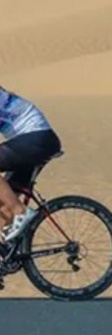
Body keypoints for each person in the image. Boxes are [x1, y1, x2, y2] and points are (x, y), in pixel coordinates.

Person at [0, 86, 62, 242]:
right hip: (33, 141)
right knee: (4, 204)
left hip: (37, 140)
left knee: (11, 206)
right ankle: (6, 255)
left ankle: (19, 210)